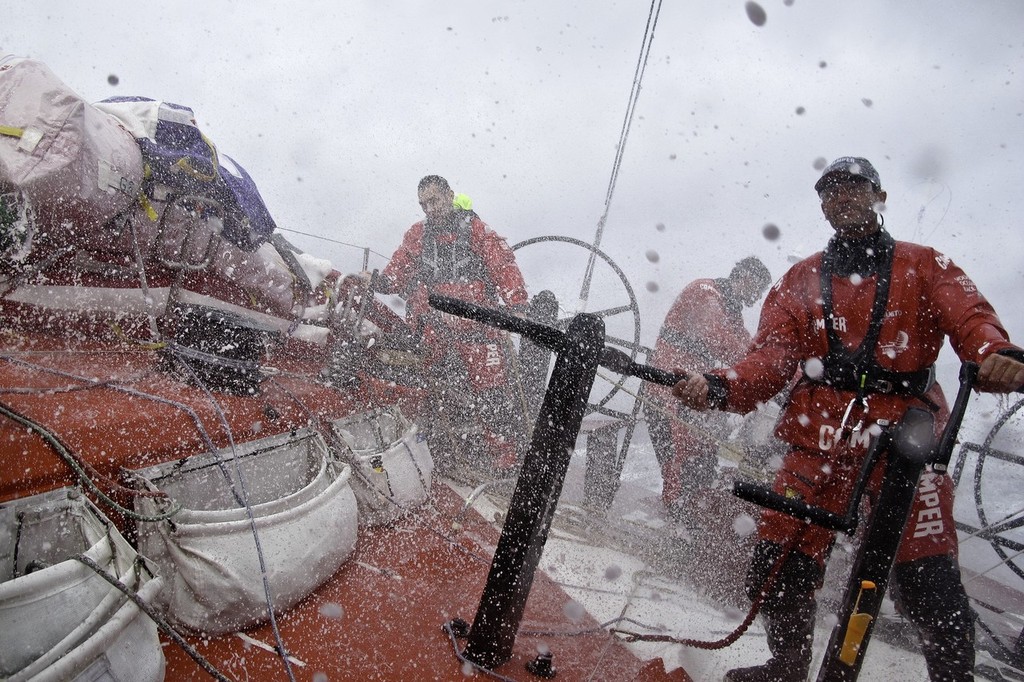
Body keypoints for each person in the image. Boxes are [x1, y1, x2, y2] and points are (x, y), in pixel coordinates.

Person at [671, 156, 1024, 682]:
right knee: (775, 562)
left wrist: (996, 353)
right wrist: (722, 386)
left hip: (907, 442)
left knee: (929, 581)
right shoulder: (798, 280)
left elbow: (971, 318)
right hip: (819, 438)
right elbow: (769, 361)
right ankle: (787, 666)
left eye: (856, 187)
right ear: (822, 205)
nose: (844, 197)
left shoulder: (926, 265)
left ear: (879, 197)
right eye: (832, 190)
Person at [378, 175, 529, 475]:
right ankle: (436, 452)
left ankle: (505, 460)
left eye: (434, 200)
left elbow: (503, 264)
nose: (429, 209)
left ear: (449, 194)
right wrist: (378, 282)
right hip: (434, 329)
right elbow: (397, 269)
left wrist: (517, 304)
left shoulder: (476, 230)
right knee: (430, 389)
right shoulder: (417, 235)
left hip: (477, 329)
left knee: (492, 395)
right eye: (423, 204)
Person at [644, 257, 772, 524]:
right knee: (678, 465)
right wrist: (765, 375)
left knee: (702, 461)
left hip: (690, 393)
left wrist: (777, 371)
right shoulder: (705, 293)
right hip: (667, 391)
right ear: (746, 278)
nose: (756, 297)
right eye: (757, 290)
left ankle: (690, 522)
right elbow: (724, 340)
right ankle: (679, 528)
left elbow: (747, 347)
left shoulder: (731, 311)